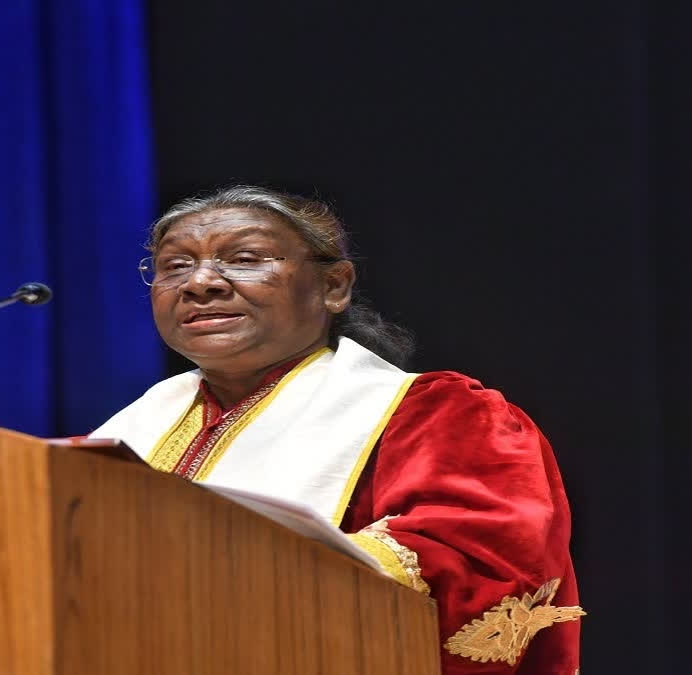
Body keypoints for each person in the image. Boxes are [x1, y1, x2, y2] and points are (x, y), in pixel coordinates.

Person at [91, 186, 582, 674]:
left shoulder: (436, 414)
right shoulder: (133, 428)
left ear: (334, 286)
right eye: (175, 265)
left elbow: (483, 561)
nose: (200, 283)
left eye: (243, 258)